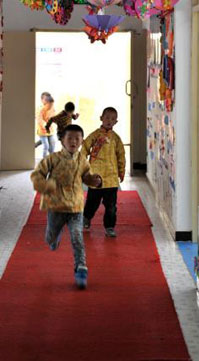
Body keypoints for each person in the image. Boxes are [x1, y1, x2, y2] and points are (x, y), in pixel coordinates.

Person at [30, 124, 103, 289]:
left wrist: (94, 181)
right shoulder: (52, 159)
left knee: (77, 237)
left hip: (76, 207)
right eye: (69, 138)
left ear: (82, 141)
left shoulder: (82, 160)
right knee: (50, 238)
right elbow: (37, 175)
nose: (73, 141)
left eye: (77, 139)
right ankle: (54, 237)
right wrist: (46, 186)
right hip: (56, 206)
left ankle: (81, 269)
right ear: (62, 140)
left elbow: (86, 176)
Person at [82, 107, 125, 238]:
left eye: (112, 119)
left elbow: (121, 155)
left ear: (116, 122)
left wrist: (121, 171)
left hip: (111, 178)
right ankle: (86, 218)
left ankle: (110, 227)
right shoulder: (95, 135)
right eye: (107, 118)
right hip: (96, 176)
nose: (109, 121)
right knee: (92, 202)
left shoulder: (116, 139)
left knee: (111, 206)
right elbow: (84, 147)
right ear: (101, 118)